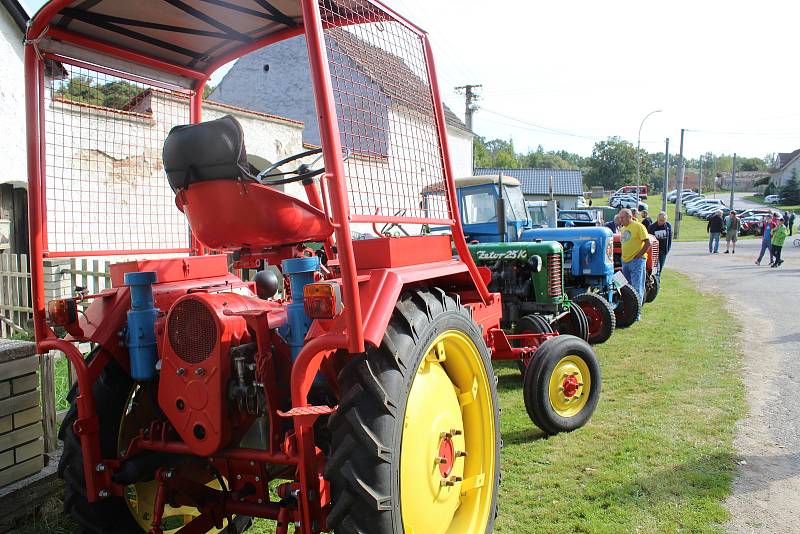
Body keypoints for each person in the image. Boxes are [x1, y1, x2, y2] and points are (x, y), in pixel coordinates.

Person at [618, 208, 649, 316]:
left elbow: (647, 242)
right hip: (625, 261)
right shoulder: (623, 229)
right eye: (619, 217)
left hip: (636, 261)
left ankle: (636, 314)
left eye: (622, 217)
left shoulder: (638, 226)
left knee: (637, 288)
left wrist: (639, 255)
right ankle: (628, 311)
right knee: (627, 288)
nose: (620, 220)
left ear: (629, 217)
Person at [648, 211, 672, 277]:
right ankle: (655, 283)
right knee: (654, 269)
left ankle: (658, 283)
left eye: (663, 220)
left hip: (663, 251)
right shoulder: (652, 227)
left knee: (660, 268)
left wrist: (667, 250)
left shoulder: (668, 226)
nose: (661, 222)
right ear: (657, 219)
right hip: (654, 251)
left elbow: (669, 239)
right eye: (660, 220)